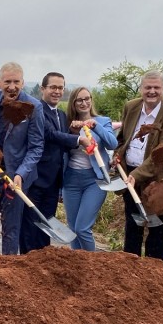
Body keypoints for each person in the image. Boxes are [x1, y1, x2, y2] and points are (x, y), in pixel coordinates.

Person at [113, 70, 163, 262]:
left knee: (158, 233)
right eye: (148, 87)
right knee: (133, 228)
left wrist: (137, 174)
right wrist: (118, 156)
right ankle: (131, 271)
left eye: (156, 88)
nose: (152, 91)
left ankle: (155, 275)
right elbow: (123, 139)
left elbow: (162, 155)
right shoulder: (131, 107)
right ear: (141, 89)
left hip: (161, 181)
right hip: (131, 179)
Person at [0, 62, 45, 255]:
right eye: (7, 81)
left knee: (11, 227)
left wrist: (21, 174)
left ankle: (9, 269)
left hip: (15, 174)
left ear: (23, 83)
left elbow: (36, 146)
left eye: (16, 82)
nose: (12, 86)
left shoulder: (33, 107)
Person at [22, 72, 89, 252]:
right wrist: (78, 140)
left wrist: (74, 134)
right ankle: (27, 262)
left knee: (47, 224)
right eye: (53, 87)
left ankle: (43, 262)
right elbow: (50, 135)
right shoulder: (37, 110)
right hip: (36, 178)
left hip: (53, 180)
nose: (57, 91)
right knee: (31, 225)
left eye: (60, 88)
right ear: (43, 89)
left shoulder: (61, 114)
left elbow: (62, 143)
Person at [61, 86, 118, 251]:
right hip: (71, 179)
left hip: (95, 180)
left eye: (87, 99)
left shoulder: (102, 121)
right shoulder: (67, 123)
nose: (84, 103)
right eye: (79, 100)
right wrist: (71, 131)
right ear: (73, 103)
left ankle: (92, 266)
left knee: (82, 228)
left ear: (91, 100)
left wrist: (95, 127)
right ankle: (78, 267)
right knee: (73, 229)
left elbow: (112, 143)